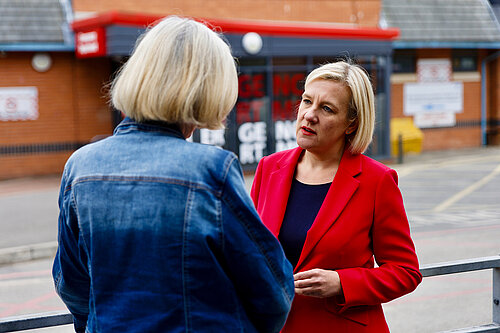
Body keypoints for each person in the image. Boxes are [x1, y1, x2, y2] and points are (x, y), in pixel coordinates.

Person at [52, 16, 294, 333]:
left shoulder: (80, 166)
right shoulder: (210, 170)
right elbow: (272, 291)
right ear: (208, 88)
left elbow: (72, 284)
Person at [251, 61, 422, 332]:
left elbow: (406, 272)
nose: (309, 115)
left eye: (326, 108)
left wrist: (342, 283)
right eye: (307, 101)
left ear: (351, 124)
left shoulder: (377, 181)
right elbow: (252, 252)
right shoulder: (269, 168)